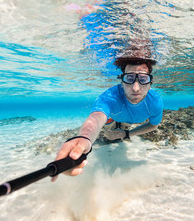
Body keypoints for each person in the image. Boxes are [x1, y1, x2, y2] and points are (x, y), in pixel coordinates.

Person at [52, 42, 163, 181]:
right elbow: (97, 117)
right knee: (107, 134)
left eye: (143, 79)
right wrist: (84, 137)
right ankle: (113, 125)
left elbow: (154, 125)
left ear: (150, 82)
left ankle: (122, 128)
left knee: (118, 132)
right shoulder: (110, 97)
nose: (135, 88)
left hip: (127, 122)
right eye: (129, 78)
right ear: (121, 81)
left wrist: (126, 134)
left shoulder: (155, 101)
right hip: (111, 116)